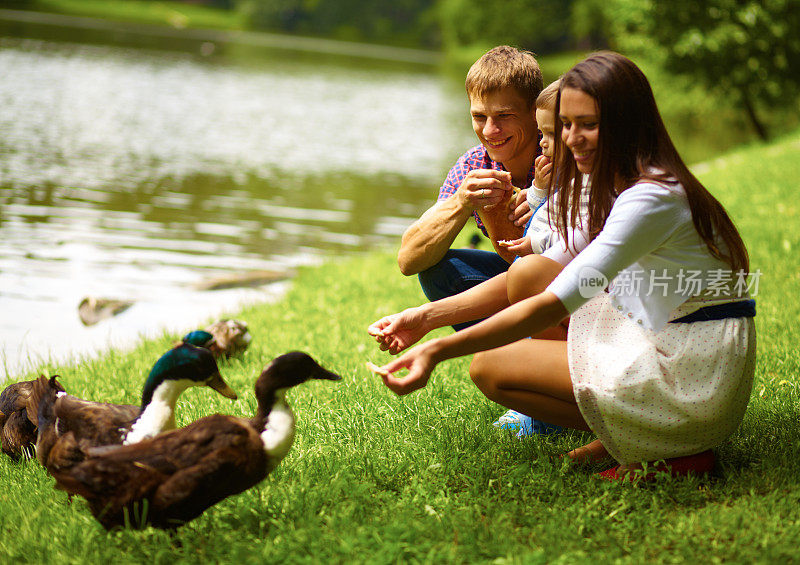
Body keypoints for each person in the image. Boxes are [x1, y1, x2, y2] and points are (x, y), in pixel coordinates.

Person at [368, 51, 756, 480]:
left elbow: (555, 301)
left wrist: (437, 350)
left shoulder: (649, 197)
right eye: (565, 125)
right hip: (666, 344)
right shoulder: (606, 182)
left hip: (693, 380)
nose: (571, 139)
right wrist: (424, 318)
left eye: (587, 125)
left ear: (626, 122)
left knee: (489, 367)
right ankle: (627, 439)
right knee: (529, 275)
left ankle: (673, 449)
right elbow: (532, 274)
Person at [397, 46, 543, 331]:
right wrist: (462, 202)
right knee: (439, 272)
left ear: (534, 112)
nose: (489, 130)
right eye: (479, 117)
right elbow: (408, 260)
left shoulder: (559, 152)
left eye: (504, 116)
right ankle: (510, 354)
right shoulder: (473, 163)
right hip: (518, 280)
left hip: (577, 285)